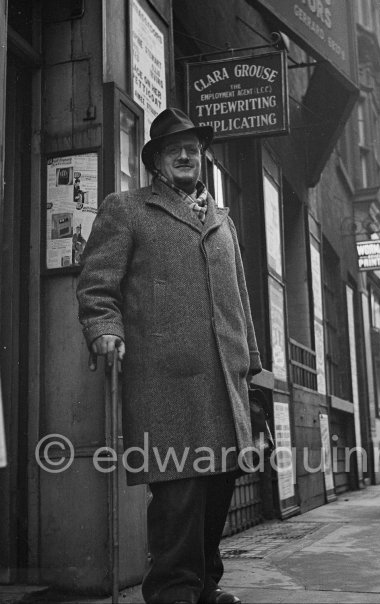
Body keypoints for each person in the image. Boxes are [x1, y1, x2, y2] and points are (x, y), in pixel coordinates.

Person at [77, 107, 262, 604]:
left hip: (225, 379)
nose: (186, 155)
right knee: (178, 496)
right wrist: (103, 328)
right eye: (173, 149)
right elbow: (98, 284)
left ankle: (203, 586)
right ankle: (172, 592)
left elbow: (240, 300)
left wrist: (253, 365)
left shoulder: (223, 221)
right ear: (156, 161)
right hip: (166, 380)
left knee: (218, 489)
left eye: (193, 149)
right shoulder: (127, 208)